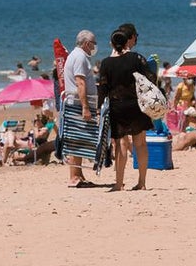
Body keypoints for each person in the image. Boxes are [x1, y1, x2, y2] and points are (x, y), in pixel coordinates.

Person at [97, 23, 157, 191]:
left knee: (121, 144)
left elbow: (103, 87)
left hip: (118, 106)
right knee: (141, 144)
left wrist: (98, 107)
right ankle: (142, 182)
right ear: (126, 42)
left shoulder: (106, 63)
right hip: (137, 105)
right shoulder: (137, 58)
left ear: (111, 44)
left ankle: (118, 184)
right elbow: (150, 78)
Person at [62, 29, 98, 187]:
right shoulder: (80, 57)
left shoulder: (75, 55)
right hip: (77, 104)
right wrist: (85, 107)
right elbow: (80, 83)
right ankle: (73, 177)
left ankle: (78, 174)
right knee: (77, 140)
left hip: (76, 102)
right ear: (86, 43)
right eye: (93, 44)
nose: (94, 47)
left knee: (80, 139)